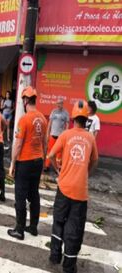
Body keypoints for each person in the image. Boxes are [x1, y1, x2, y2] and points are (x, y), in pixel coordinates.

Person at [48, 100, 98, 273]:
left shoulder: (66, 135)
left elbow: (52, 154)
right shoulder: (90, 137)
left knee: (58, 222)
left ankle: (55, 256)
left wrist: (58, 170)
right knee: (74, 230)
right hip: (80, 192)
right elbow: (95, 161)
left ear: (73, 118)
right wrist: (86, 173)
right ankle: (69, 266)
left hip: (63, 188)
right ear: (86, 119)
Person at [7, 86, 47, 240]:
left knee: (20, 196)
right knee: (34, 194)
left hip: (24, 162)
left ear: (25, 100)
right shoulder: (43, 119)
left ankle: (19, 229)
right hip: (38, 162)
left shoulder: (24, 120)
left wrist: (12, 163)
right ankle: (33, 227)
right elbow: (44, 143)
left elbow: (17, 144)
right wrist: (42, 162)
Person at [44, 98, 69, 172]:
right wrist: (47, 134)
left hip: (60, 136)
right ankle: (47, 166)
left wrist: (65, 135)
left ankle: (57, 167)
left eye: (60, 103)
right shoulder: (53, 112)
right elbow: (49, 123)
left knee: (59, 153)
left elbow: (67, 125)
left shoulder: (66, 113)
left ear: (62, 104)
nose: (58, 105)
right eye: (57, 103)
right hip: (52, 135)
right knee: (49, 151)